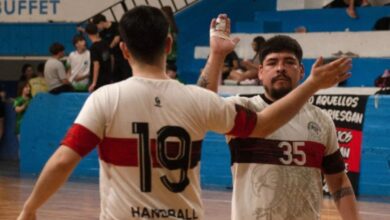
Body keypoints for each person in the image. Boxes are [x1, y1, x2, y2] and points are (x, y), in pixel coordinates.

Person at [17, 7, 350, 220]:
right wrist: (312, 85)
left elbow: (62, 161)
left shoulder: (105, 99)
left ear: (123, 49)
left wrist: (30, 208)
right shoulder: (194, 100)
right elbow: (257, 123)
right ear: (168, 45)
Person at [198, 34, 359, 219]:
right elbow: (203, 106)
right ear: (260, 72)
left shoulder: (321, 120)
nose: (280, 68)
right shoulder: (245, 108)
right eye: (272, 63)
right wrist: (217, 54)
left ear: (302, 71)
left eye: (289, 62)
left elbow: (338, 181)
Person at [92, 13, 132, 82]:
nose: (97, 28)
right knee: (116, 78)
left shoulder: (116, 26)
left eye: (97, 25)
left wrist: (109, 48)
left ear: (101, 23)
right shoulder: (102, 33)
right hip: (113, 57)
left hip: (123, 56)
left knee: (126, 75)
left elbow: (116, 39)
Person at [85, 23, 112, 93]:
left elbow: (96, 65)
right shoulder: (105, 43)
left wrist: (94, 83)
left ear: (88, 34)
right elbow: (112, 58)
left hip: (99, 80)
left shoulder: (93, 48)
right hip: (107, 77)